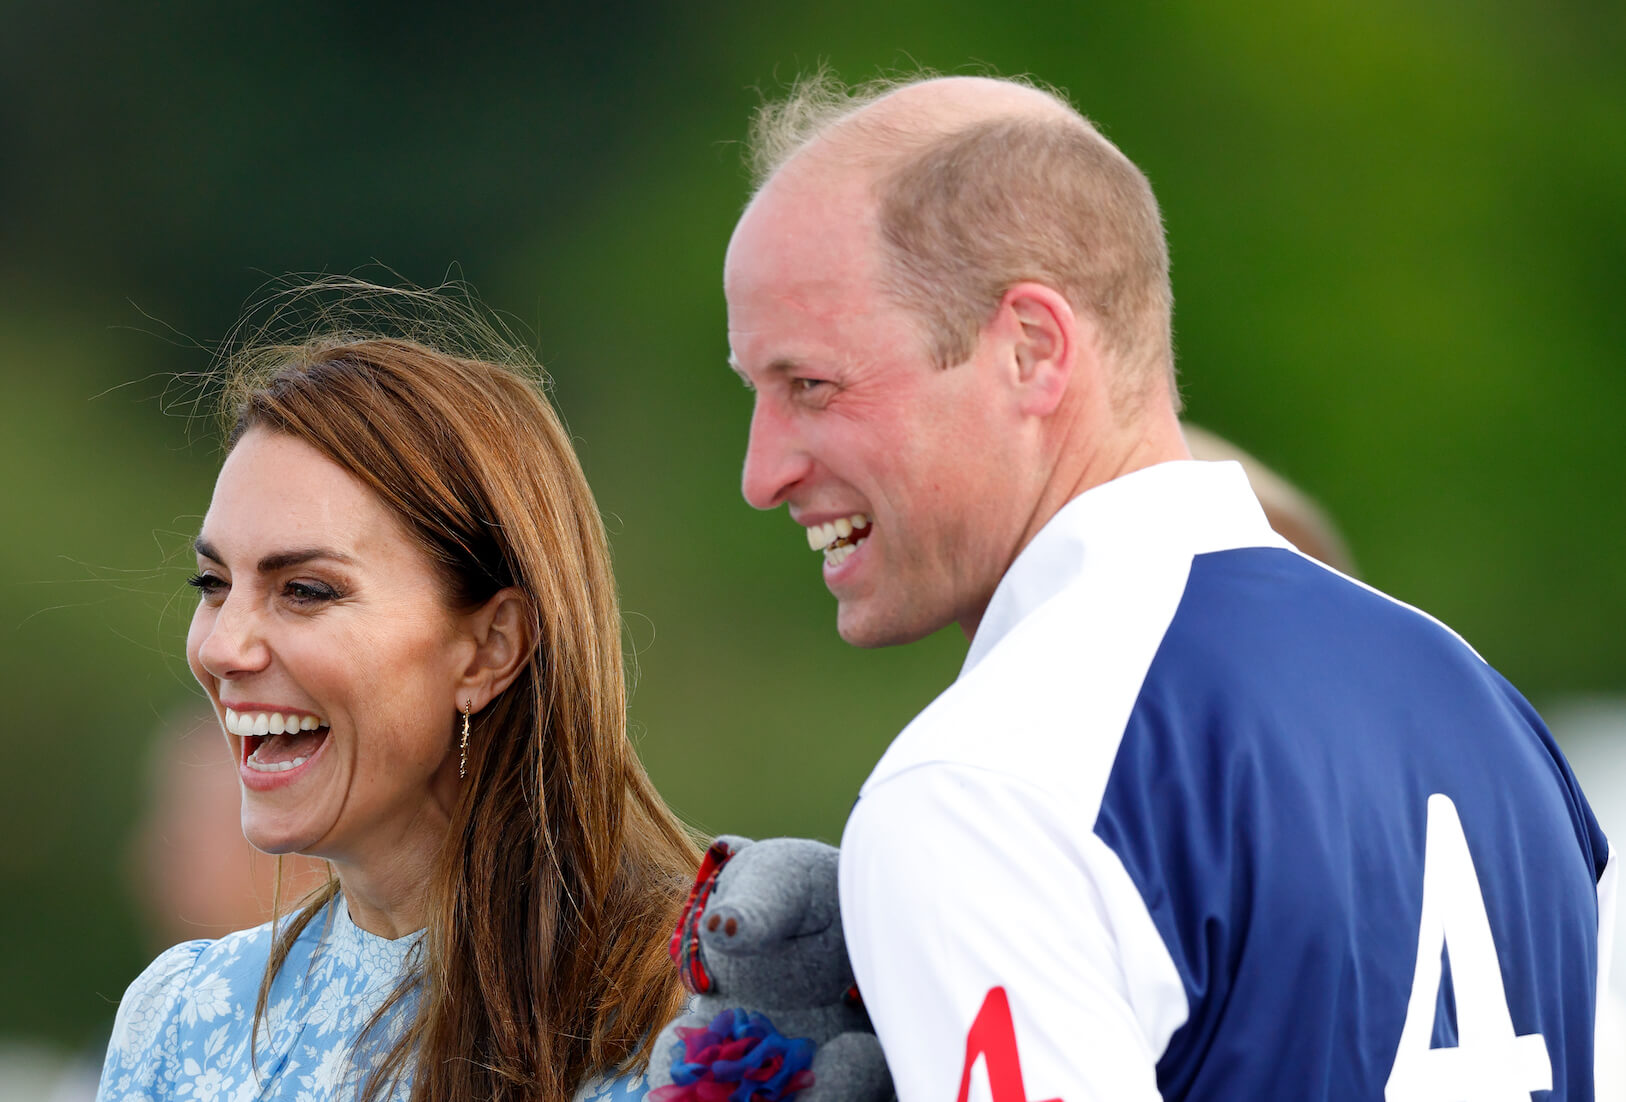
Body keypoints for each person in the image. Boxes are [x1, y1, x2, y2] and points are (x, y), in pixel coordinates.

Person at [723, 72, 1616, 1101]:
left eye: (812, 386)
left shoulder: (982, 784)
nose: (763, 473)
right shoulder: (1483, 701)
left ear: (1031, 349)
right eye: (758, 393)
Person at [98, 288, 701, 1102]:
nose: (220, 647)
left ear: (490, 648)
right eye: (213, 583)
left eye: (305, 590)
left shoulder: (693, 1020)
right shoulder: (181, 1020)